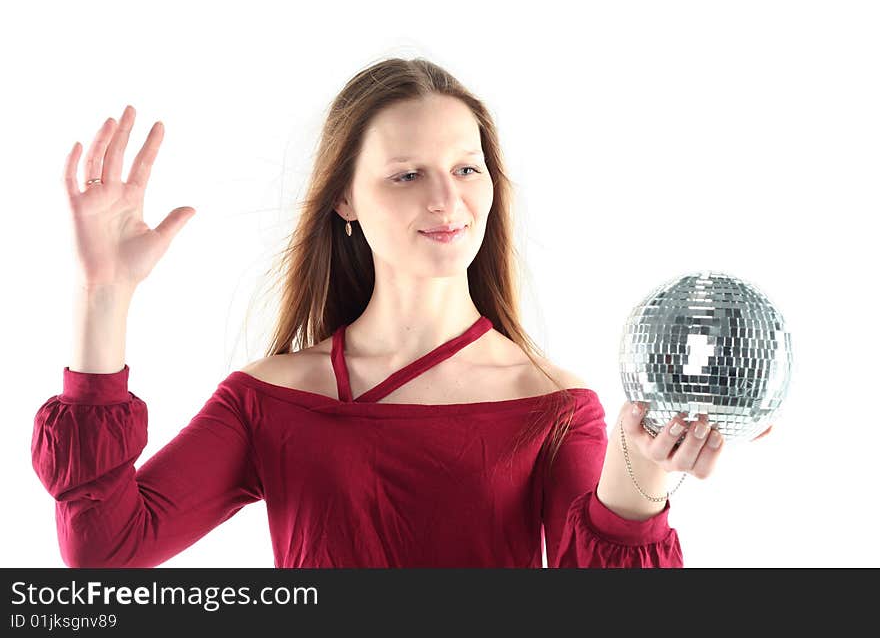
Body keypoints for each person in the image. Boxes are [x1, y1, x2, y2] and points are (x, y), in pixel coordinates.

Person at [32, 57, 737, 568]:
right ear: (345, 199)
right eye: (407, 174)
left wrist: (641, 476)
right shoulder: (271, 399)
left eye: (466, 168)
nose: (446, 200)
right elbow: (103, 548)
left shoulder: (551, 406)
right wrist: (104, 293)